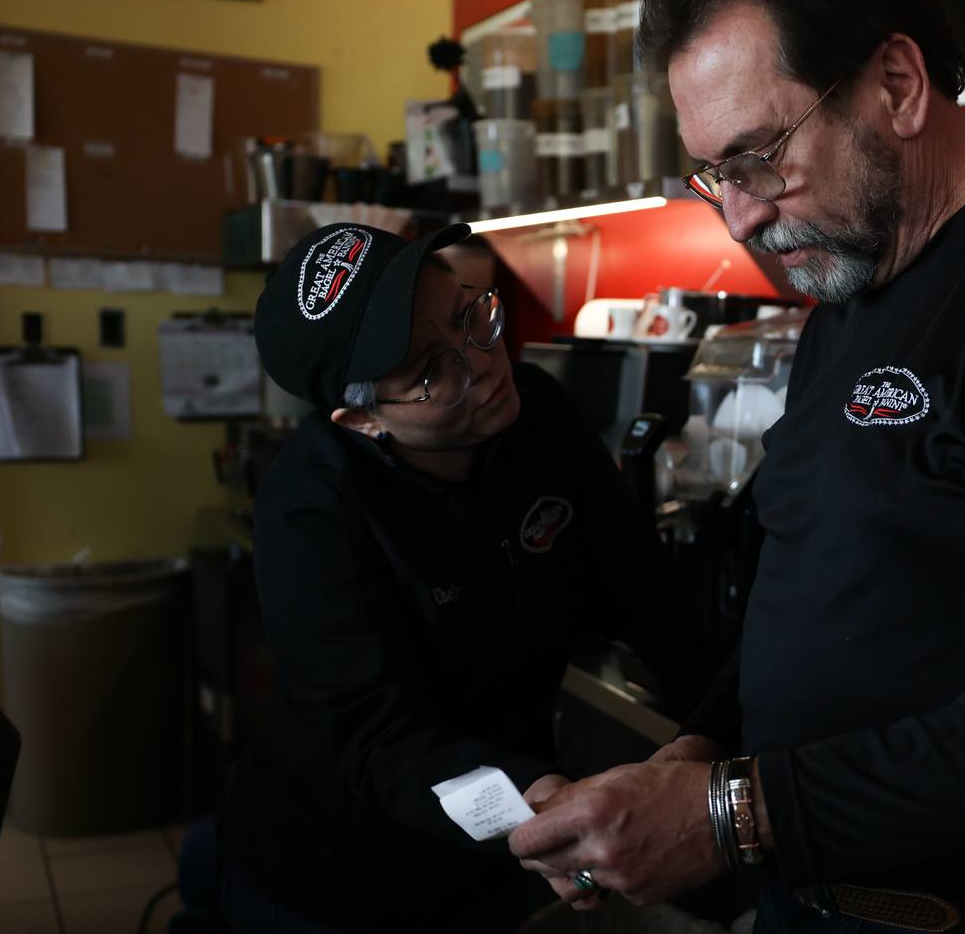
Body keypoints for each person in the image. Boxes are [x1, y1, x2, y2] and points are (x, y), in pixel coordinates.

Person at [508, 0, 965, 932]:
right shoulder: (852, 294)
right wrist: (698, 751)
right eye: (713, 174)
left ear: (895, 82)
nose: (739, 219)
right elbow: (813, 579)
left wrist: (733, 814)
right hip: (814, 897)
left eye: (758, 158)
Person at [220, 222, 674, 932]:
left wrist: (716, 733)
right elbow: (381, 740)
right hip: (347, 868)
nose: (485, 364)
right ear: (362, 419)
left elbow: (639, 585)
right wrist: (533, 797)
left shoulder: (537, 413)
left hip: (501, 850)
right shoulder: (312, 514)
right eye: (432, 371)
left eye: (470, 316)